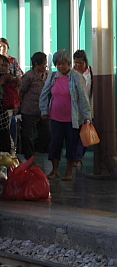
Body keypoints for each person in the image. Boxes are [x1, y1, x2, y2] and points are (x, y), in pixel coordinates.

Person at [40, 50, 92, 181]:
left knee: (71, 145)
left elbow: (83, 98)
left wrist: (87, 116)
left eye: (63, 64)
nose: (60, 67)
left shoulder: (76, 77)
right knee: (55, 144)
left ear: (69, 64)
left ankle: (69, 172)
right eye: (58, 64)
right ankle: (55, 170)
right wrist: (44, 111)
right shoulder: (52, 77)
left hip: (72, 120)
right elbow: (44, 95)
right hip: (56, 117)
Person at [18, 52, 49, 163]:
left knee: (46, 133)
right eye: (43, 64)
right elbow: (21, 91)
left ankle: (36, 150)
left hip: (43, 111)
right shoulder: (29, 76)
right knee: (27, 135)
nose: (45, 66)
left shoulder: (47, 75)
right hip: (29, 110)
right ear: (37, 64)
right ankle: (29, 158)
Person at [0, 38, 23, 146]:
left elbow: (19, 75)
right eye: (0, 46)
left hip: (9, 97)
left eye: (4, 46)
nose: (2, 48)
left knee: (10, 125)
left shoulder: (13, 61)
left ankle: (12, 149)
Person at [73, 49, 93, 163]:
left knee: (85, 134)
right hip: (75, 109)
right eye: (76, 63)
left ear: (85, 62)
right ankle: (76, 157)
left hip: (88, 107)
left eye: (80, 63)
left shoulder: (91, 73)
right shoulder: (72, 73)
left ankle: (79, 157)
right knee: (75, 134)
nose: (78, 65)